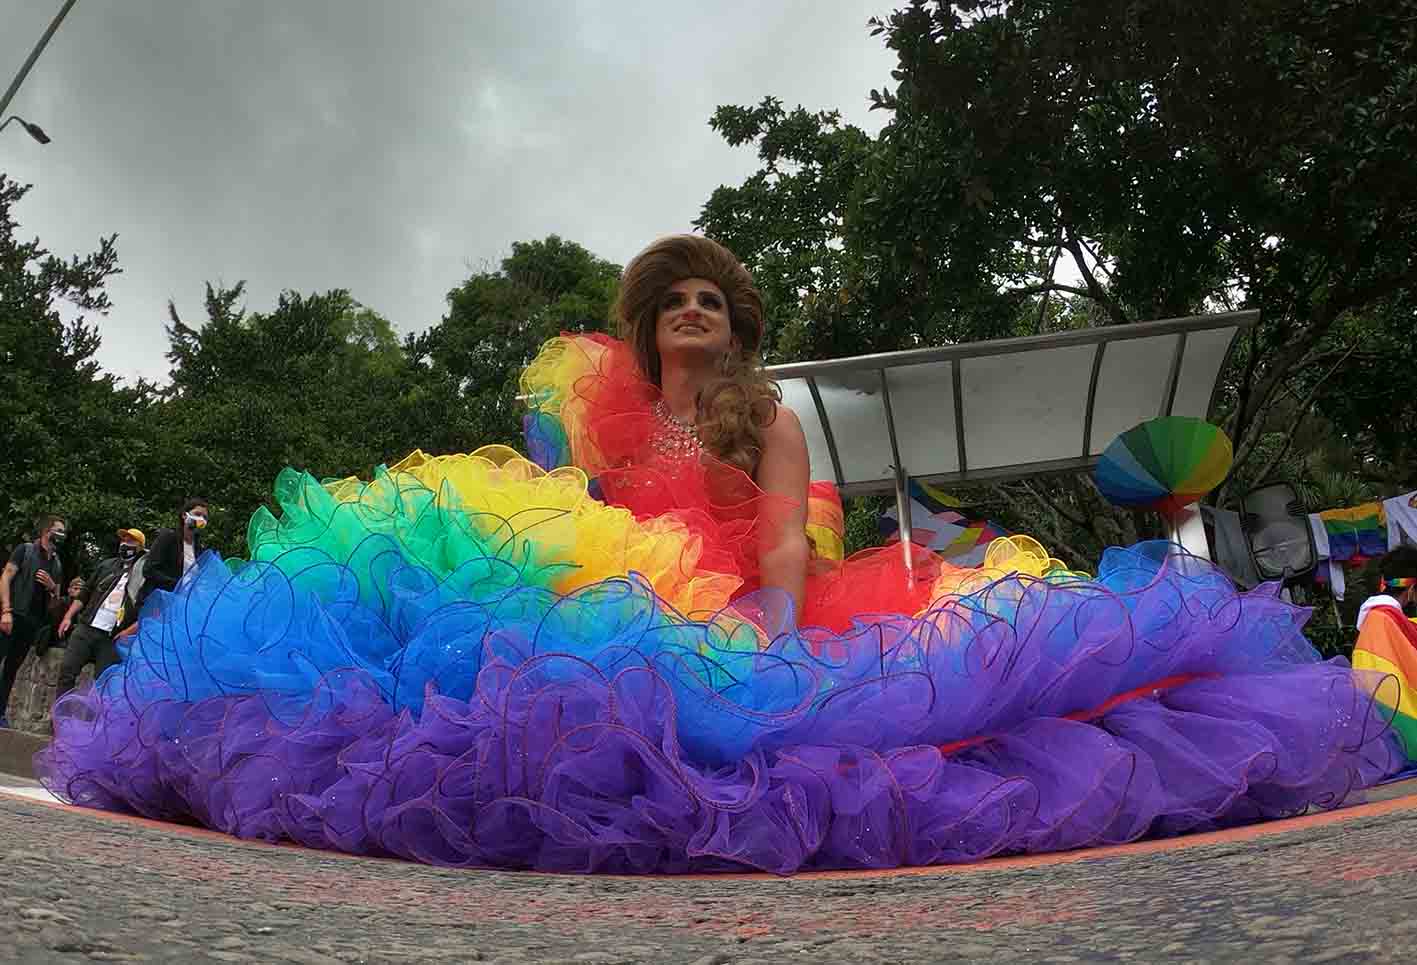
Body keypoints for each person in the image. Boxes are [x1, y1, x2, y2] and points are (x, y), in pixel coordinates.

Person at [37, 236, 1402, 874]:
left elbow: (786, 544)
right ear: (645, 321)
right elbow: (558, 517)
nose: (693, 310)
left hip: (745, 606)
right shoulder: (608, 419)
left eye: (712, 299)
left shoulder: (772, 418)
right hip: (618, 605)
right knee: (425, 631)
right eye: (673, 298)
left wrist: (773, 627)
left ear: (732, 328)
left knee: (860, 727)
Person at [54, 529, 146, 699]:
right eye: (123, 540)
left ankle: (92, 724)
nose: (125, 544)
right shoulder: (107, 565)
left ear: (140, 548)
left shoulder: (143, 576)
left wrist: (127, 632)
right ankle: (59, 717)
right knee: (67, 671)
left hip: (113, 638)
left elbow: (147, 611)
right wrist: (68, 616)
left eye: (131, 541)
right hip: (87, 628)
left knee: (103, 686)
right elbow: (85, 593)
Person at [0, 515, 67, 728]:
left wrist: (51, 586)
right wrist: (6, 611)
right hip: (12, 615)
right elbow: (5, 578)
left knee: (11, 669)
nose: (62, 535)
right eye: (59, 530)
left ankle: (0, 713)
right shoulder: (25, 550)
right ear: (47, 531)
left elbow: (56, 600)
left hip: (32, 623)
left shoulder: (56, 562)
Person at [1351, 545, 1417, 761]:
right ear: (1411, 590)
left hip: (1378, 731)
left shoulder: (1379, 618)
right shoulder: (1384, 621)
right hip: (1395, 730)